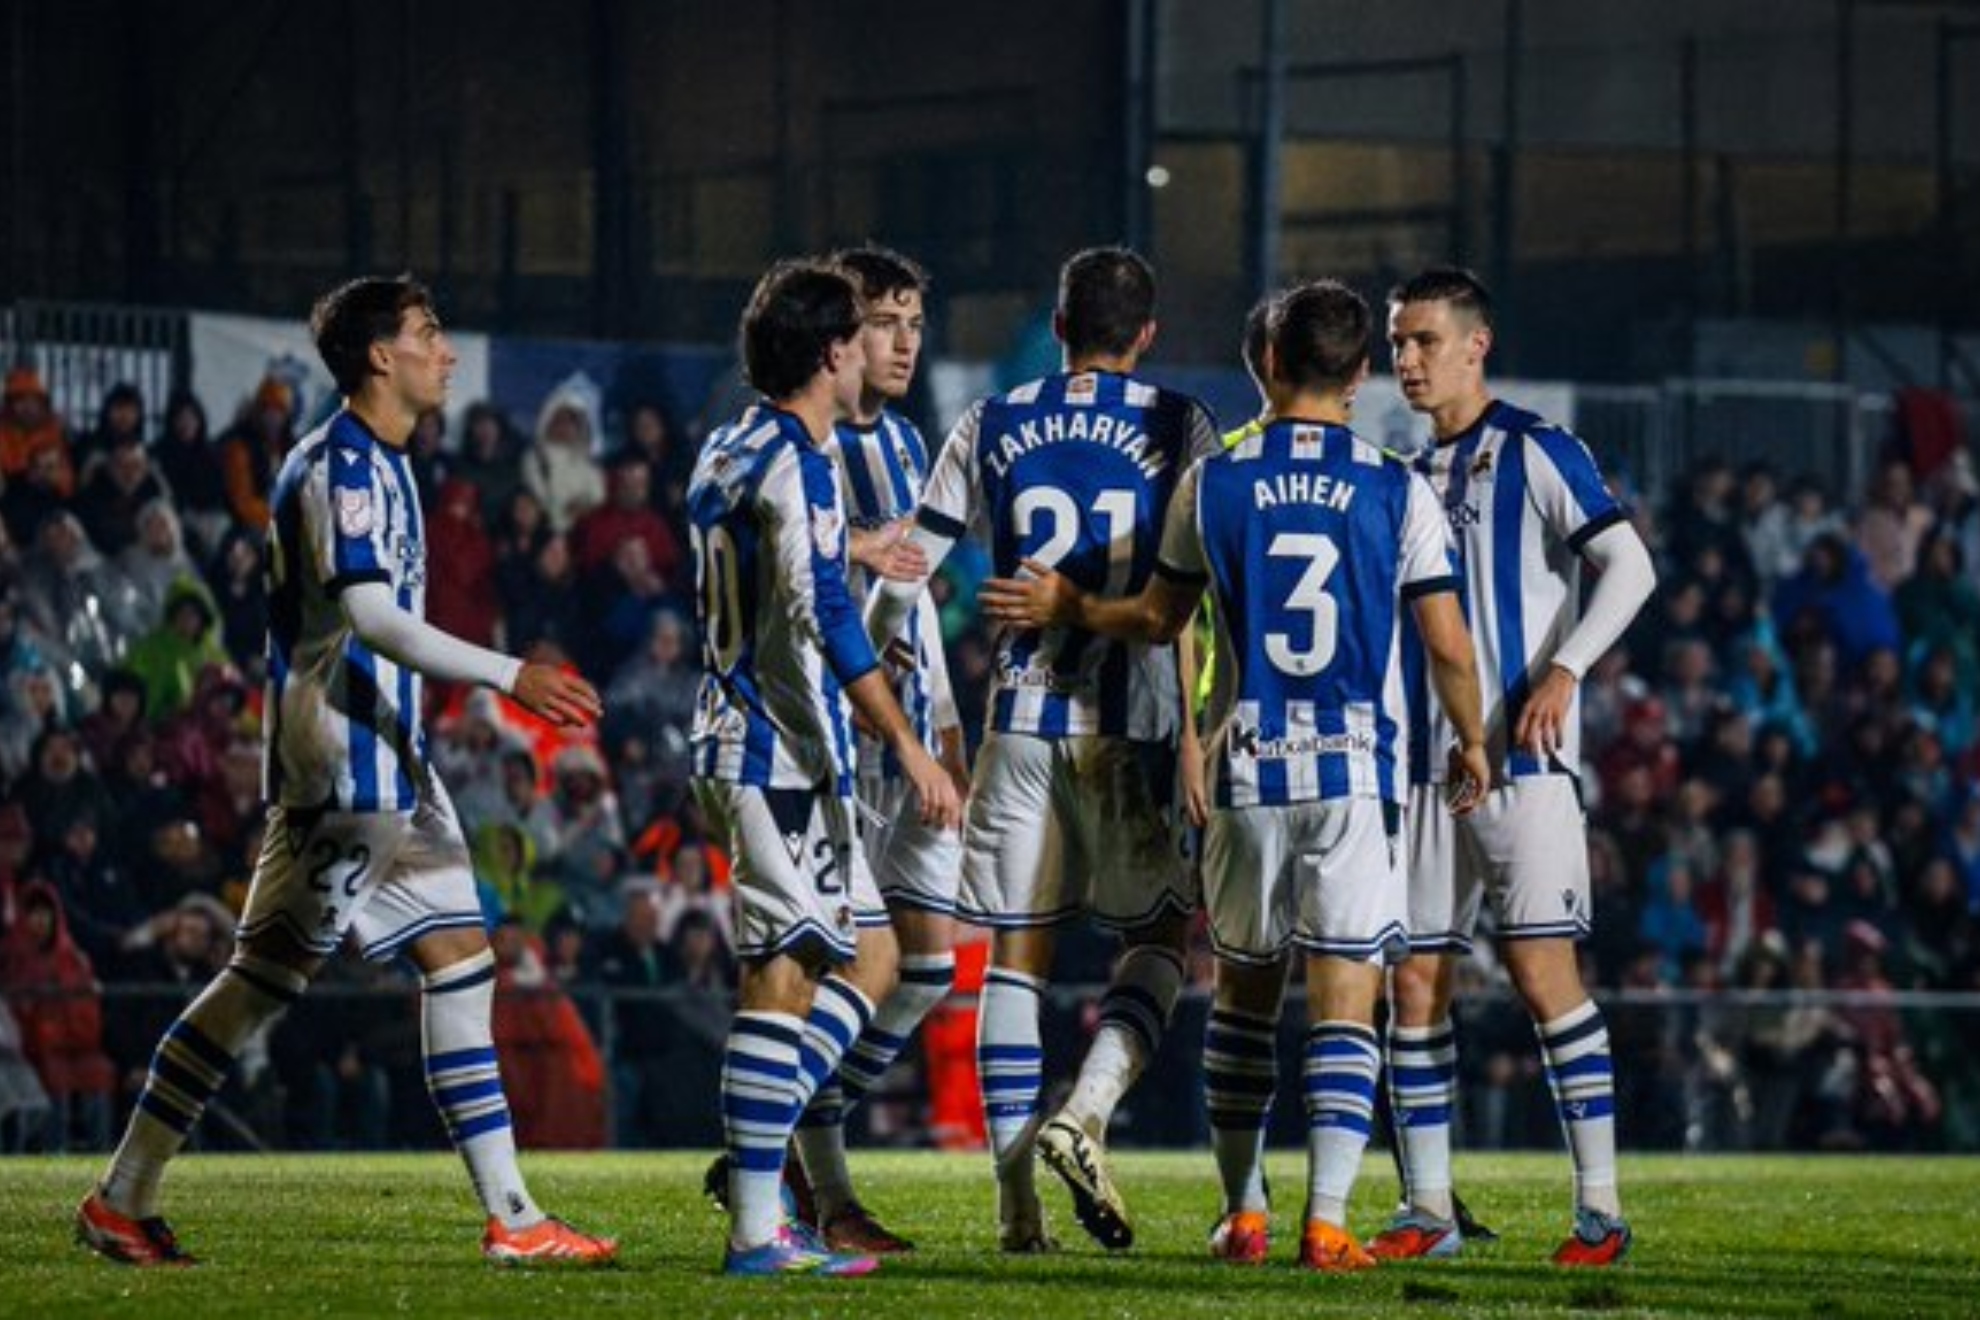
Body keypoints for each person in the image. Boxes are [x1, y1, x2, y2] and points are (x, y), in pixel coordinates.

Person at [75, 275, 618, 1268]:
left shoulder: (388, 463)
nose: (445, 352)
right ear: (381, 357)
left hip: (393, 767)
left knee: (459, 963)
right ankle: (122, 1194)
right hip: (342, 770)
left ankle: (514, 1218)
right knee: (259, 986)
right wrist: (509, 675)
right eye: (428, 334)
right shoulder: (343, 469)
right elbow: (370, 618)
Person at [982, 278, 1489, 1272]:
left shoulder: (1214, 479)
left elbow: (1159, 621)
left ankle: (1243, 1211)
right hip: (1348, 772)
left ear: (1268, 364)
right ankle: (1328, 1221)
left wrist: (1072, 606)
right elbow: (1448, 644)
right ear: (1362, 373)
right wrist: (1473, 739)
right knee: (1348, 1000)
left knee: (1245, 998)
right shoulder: (1396, 484)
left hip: (1245, 767)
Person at [867, 246, 1217, 1254]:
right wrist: (1195, 738)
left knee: (1014, 966)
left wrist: (894, 676)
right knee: (1154, 947)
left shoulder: (993, 420)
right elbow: (1179, 599)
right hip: (1131, 726)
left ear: (1057, 326)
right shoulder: (1175, 421)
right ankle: (1087, 1112)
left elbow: (907, 572)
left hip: (1017, 719)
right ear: (1145, 334)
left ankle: (1017, 1213)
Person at [1376, 267, 1657, 1267]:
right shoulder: (1405, 472)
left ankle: (1600, 1211)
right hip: (1424, 768)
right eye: (1395, 342)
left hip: (1525, 768)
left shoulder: (1538, 450)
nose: (1403, 359)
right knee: (1414, 983)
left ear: (1475, 343)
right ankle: (1426, 1210)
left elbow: (1631, 566)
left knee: (1544, 976)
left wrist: (1568, 670)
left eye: (1420, 341)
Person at [687, 258, 961, 1277]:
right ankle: (759, 1214)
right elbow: (823, 612)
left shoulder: (726, 447)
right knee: (783, 977)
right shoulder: (800, 459)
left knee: (873, 960)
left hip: (744, 736)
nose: (877, 350)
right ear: (831, 354)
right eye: (862, 333)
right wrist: (903, 743)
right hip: (777, 750)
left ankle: (767, 1181)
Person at [762, 244, 969, 1254]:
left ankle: (788, 1138)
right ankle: (815, 1184)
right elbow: (801, 568)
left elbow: (914, 598)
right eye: (885, 323)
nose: (903, 344)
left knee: (926, 967)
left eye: (916, 325)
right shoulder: (797, 439)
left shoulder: (904, 445)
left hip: (911, 737)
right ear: (840, 336)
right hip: (837, 740)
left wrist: (949, 726)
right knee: (846, 967)